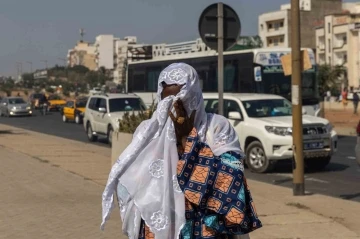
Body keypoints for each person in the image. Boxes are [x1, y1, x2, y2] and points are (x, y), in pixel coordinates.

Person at [101, 63, 262, 238]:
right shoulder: (147, 132)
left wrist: (187, 141)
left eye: (181, 103)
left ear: (194, 98)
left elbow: (232, 183)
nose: (176, 112)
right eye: (167, 103)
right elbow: (131, 184)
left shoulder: (216, 128)